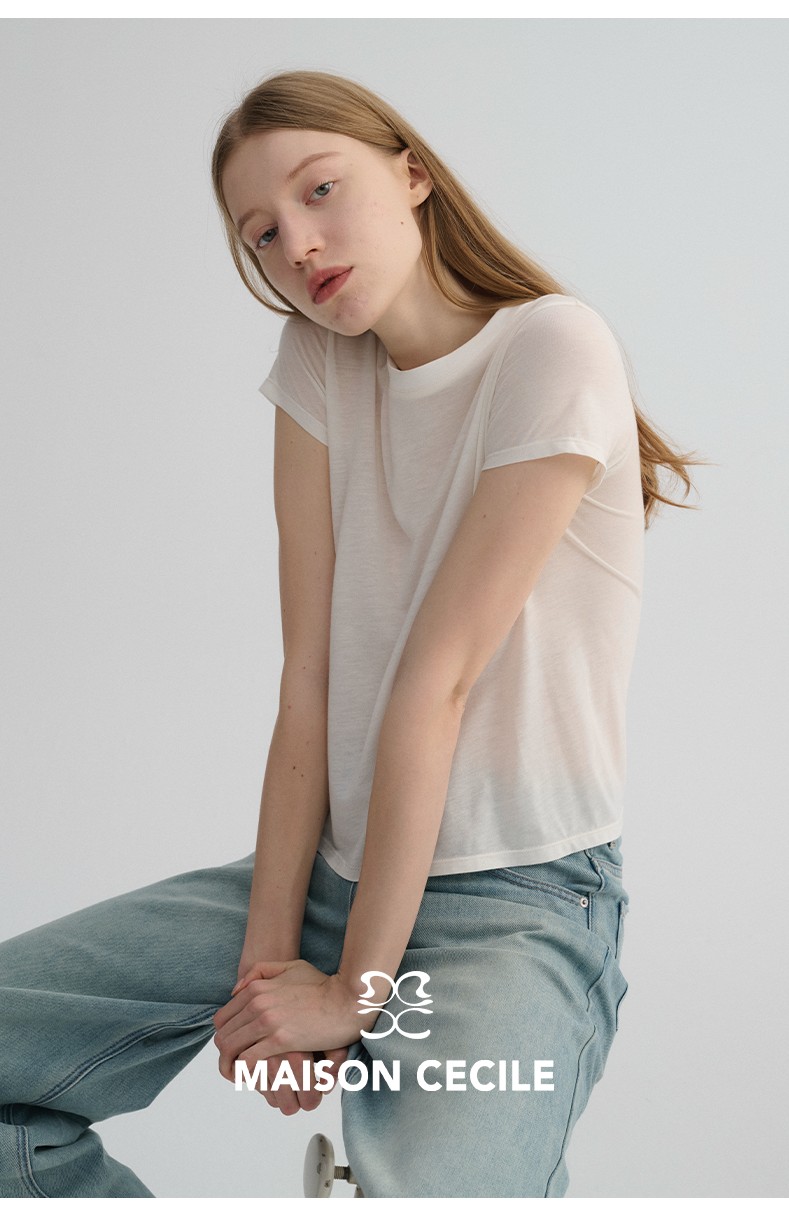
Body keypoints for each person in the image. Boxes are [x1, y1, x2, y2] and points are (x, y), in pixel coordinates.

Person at [0, 70, 703, 1199]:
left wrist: (354, 995)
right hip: (333, 875)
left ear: (413, 174)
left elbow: (436, 684)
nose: (298, 245)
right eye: (262, 233)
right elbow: (311, 681)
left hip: (513, 906)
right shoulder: (321, 361)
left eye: (320, 190)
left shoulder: (554, 346)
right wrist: (268, 972)